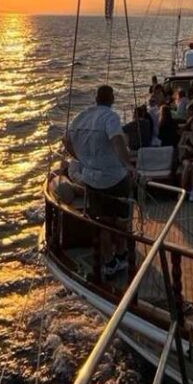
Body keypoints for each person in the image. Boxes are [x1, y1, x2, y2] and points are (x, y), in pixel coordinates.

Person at [64, 85, 133, 279]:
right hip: (115, 178)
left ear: (96, 98)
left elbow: (66, 141)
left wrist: (80, 158)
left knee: (102, 222)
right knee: (120, 220)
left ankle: (109, 262)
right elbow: (117, 141)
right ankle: (120, 254)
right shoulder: (110, 117)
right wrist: (128, 165)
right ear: (111, 99)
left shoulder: (81, 117)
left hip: (92, 179)